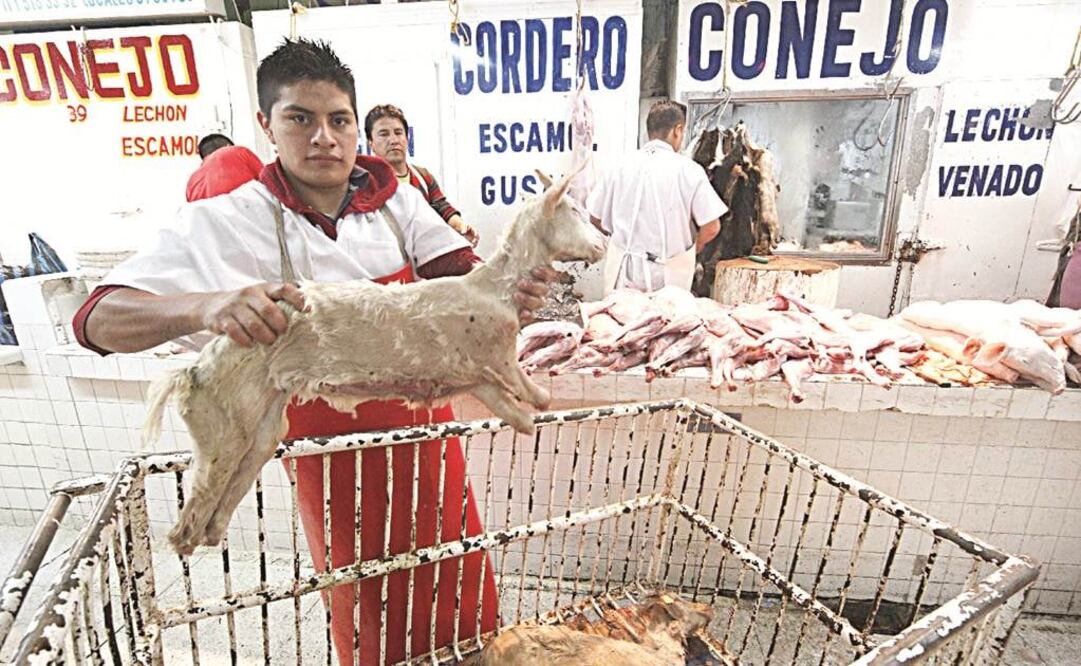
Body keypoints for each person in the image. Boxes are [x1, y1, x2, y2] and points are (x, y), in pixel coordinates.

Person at [72, 38, 555, 666]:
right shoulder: (228, 219)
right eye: (300, 118)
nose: (323, 137)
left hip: (428, 435)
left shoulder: (396, 203)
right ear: (267, 126)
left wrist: (520, 285)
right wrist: (205, 306)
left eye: (339, 120)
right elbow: (96, 317)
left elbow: (469, 281)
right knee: (370, 603)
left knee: (459, 581)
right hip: (330, 451)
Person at [587, 100, 726, 294]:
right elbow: (712, 227)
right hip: (669, 278)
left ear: (649, 130)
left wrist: (621, 237)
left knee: (619, 322)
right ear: (677, 130)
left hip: (624, 274)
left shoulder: (618, 167)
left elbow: (595, 218)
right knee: (665, 323)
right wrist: (693, 251)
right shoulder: (689, 170)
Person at [364, 104, 479, 246]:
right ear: (371, 143)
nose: (393, 140)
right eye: (384, 134)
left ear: (407, 139)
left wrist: (460, 227)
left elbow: (442, 207)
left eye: (398, 133)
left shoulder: (422, 176)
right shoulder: (364, 184)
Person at [185, 144, 264, 202]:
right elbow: (268, 181)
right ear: (228, 145)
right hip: (253, 217)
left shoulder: (191, 181)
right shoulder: (238, 151)